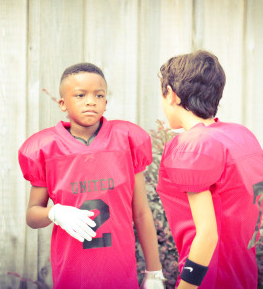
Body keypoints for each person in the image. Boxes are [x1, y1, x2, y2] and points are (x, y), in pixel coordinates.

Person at [18, 63, 165, 289]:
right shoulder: (46, 148)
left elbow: (142, 212)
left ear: (106, 103)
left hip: (120, 273)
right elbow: (32, 216)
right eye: (80, 95)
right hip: (72, 274)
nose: (90, 101)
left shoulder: (126, 140)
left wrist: (154, 272)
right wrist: (54, 212)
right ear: (62, 104)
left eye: (99, 95)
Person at [156, 50, 263, 289]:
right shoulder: (241, 135)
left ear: (171, 95)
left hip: (211, 279)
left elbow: (207, 234)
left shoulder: (192, 146)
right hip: (242, 276)